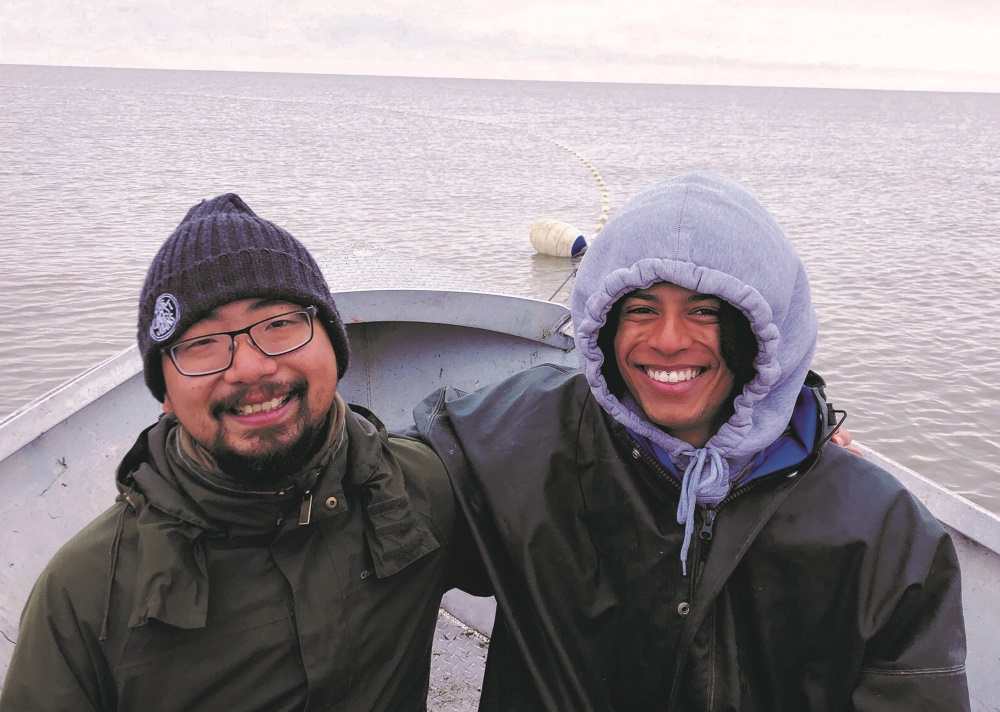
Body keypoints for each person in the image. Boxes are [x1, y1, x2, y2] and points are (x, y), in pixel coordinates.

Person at [415, 172, 970, 710]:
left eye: (705, 311)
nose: (669, 341)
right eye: (640, 309)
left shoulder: (882, 533)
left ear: (765, 330)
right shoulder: (520, 440)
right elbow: (372, 496)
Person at [0, 194, 458, 711]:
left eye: (280, 324)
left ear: (334, 343)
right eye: (203, 342)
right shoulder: (85, 595)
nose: (251, 368)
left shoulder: (426, 488)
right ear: (165, 394)